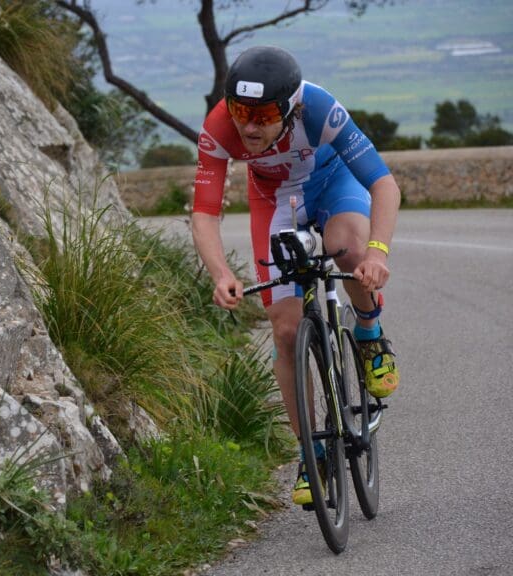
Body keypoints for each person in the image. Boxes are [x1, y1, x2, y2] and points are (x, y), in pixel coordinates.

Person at [191, 45, 400, 506]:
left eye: (263, 115)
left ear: (291, 108)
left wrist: (378, 254)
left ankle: (369, 334)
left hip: (333, 184)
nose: (249, 125)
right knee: (285, 330)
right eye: (241, 111)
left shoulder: (320, 107)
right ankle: (313, 451)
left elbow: (383, 184)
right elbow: (204, 213)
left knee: (346, 248)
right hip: (275, 204)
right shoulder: (218, 127)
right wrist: (220, 272)